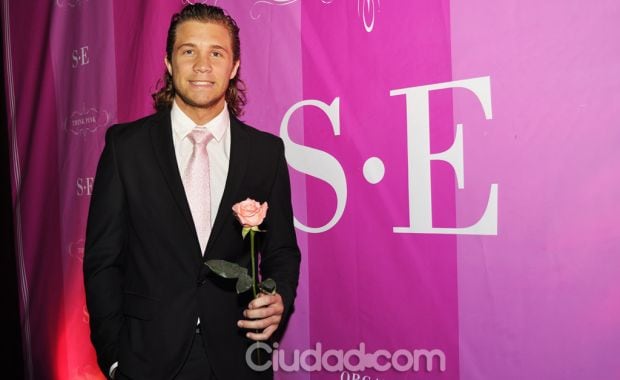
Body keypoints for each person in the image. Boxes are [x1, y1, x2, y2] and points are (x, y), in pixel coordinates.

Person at [83, 4, 301, 380]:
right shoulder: (126, 148)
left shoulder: (266, 153)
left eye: (216, 53)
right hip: (147, 358)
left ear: (233, 67)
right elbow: (103, 260)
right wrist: (115, 358)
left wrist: (278, 295)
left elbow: (281, 250)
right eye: (189, 51)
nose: (203, 65)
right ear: (169, 62)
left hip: (239, 356)